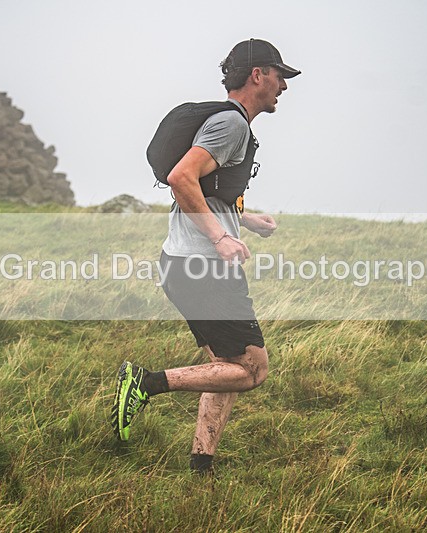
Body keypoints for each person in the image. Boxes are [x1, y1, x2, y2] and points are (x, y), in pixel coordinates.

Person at [112, 38, 300, 474]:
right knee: (252, 369)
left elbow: (204, 190)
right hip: (203, 266)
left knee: (226, 366)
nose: (283, 87)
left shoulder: (231, 125)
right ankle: (145, 383)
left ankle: (202, 467)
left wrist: (244, 219)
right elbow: (182, 178)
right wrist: (221, 239)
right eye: (279, 76)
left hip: (186, 264)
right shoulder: (230, 124)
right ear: (258, 75)